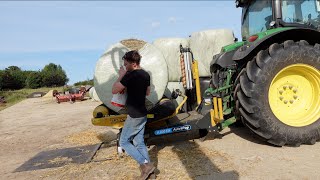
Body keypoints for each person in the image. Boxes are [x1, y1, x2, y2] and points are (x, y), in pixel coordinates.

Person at [112, 50, 155, 180]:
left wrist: (121, 75)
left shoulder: (129, 75)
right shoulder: (146, 75)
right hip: (142, 112)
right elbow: (147, 93)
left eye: (126, 64)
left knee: (124, 141)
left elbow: (114, 89)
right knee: (139, 143)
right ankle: (149, 174)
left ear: (133, 63)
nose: (125, 66)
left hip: (134, 114)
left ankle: (145, 165)